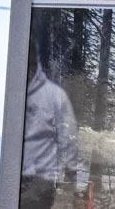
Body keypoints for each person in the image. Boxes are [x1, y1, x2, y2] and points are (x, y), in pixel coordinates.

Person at [20, 38, 78, 209]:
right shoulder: (16, 93)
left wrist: (74, 181)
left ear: (35, 59)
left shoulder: (54, 95)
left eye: (31, 58)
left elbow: (69, 138)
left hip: (41, 181)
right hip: (20, 180)